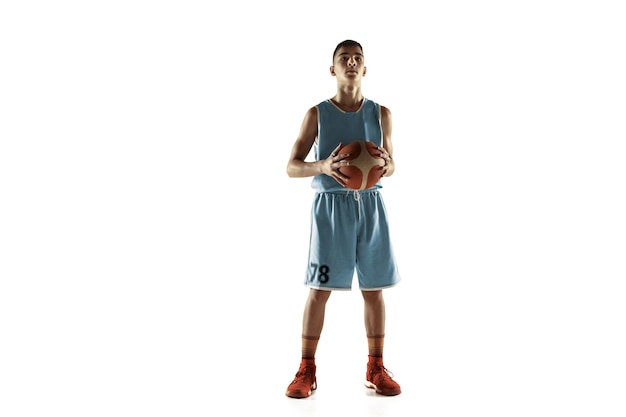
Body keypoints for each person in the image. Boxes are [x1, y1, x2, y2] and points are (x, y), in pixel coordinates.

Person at [284, 39, 402, 398]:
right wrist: (323, 166)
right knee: (319, 289)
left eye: (357, 59)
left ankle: (375, 366)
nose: (351, 63)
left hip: (370, 207)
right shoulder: (316, 114)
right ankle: (306, 368)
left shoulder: (382, 114)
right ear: (332, 69)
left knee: (374, 289)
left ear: (364, 69)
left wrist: (387, 164)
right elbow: (291, 167)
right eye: (343, 59)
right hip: (330, 209)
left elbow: (393, 165)